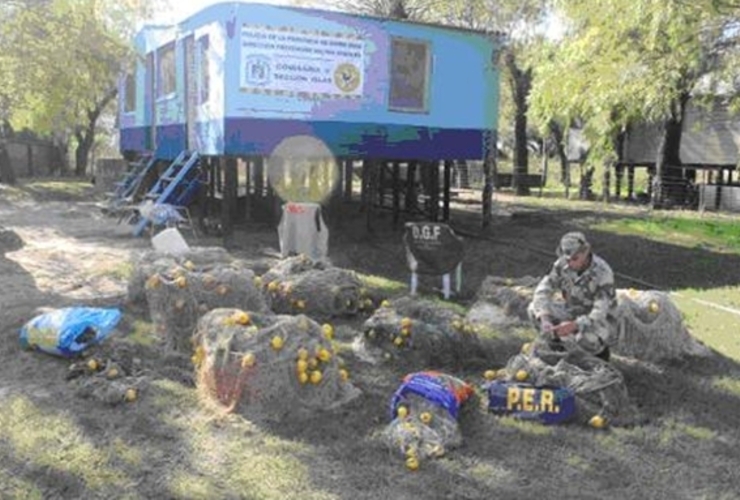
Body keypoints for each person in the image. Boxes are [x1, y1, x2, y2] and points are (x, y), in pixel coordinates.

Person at [527, 231, 618, 361]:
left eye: (575, 259)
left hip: (600, 321)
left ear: (586, 252)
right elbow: (543, 289)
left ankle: (600, 356)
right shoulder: (561, 264)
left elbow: (599, 312)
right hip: (573, 310)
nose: (570, 264)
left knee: (584, 338)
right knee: (533, 309)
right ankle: (558, 347)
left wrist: (574, 325)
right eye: (567, 259)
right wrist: (545, 319)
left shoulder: (603, 273)